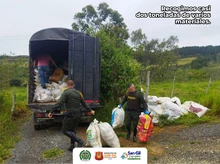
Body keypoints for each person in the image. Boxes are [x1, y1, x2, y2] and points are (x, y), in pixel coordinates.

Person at [48, 80, 95, 151]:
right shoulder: (79, 93)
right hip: (78, 114)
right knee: (72, 129)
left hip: (70, 114)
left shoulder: (66, 92)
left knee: (65, 130)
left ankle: (79, 141)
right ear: (74, 85)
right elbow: (84, 103)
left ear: (67, 85)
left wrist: (52, 111)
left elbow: (60, 103)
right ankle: (73, 146)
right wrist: (90, 110)